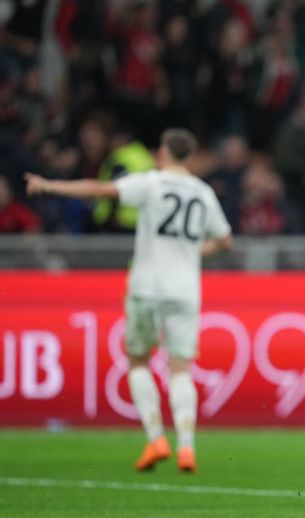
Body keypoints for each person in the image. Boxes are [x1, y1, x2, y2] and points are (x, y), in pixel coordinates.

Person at [25, 128, 232, 474]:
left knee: (138, 360)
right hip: (185, 289)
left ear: (163, 153)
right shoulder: (203, 192)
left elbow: (100, 189)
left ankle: (156, 439)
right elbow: (224, 240)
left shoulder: (151, 182)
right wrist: (193, 251)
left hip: (146, 286)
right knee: (180, 367)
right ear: (190, 157)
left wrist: (49, 185)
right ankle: (186, 447)